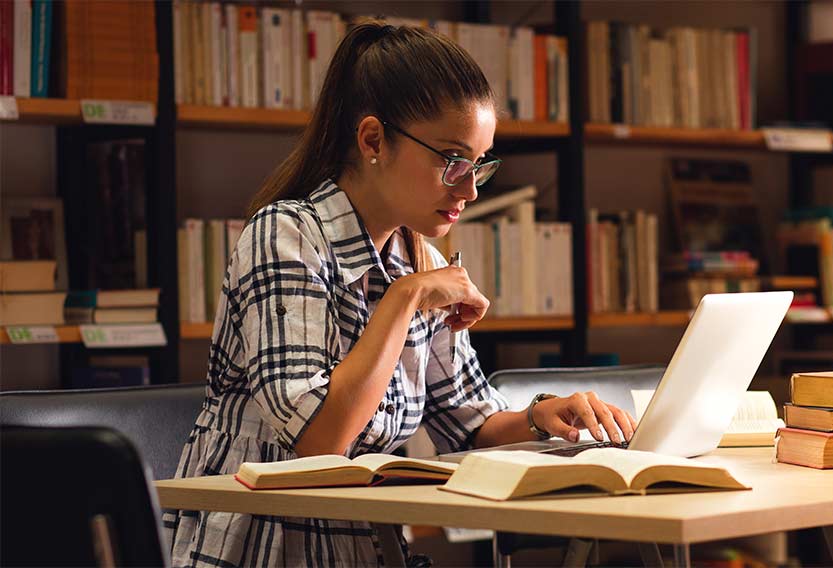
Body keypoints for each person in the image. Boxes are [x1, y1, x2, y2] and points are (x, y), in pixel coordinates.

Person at [163, 21, 637, 567]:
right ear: (373, 140)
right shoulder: (286, 235)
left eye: (481, 164)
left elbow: (467, 423)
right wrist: (406, 298)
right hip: (263, 544)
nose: (471, 188)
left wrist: (543, 416)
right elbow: (319, 441)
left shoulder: (419, 260)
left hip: (367, 542)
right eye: (453, 161)